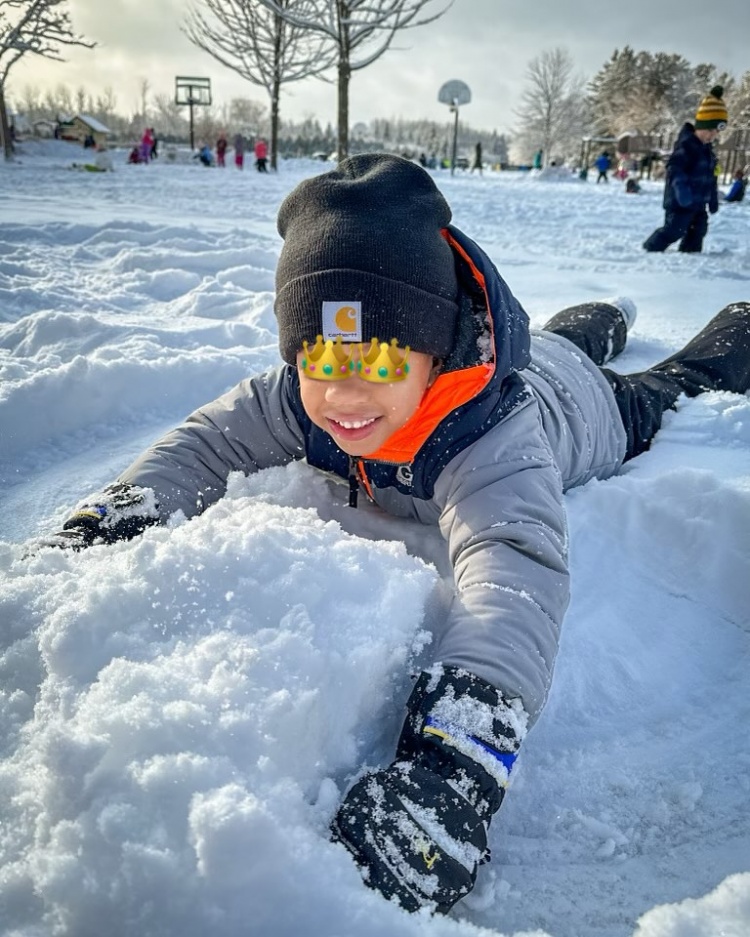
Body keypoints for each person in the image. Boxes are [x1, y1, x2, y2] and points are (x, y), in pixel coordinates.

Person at [30, 155, 750, 915]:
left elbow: (515, 568)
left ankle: (723, 330)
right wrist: (122, 510)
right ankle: (600, 317)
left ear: (435, 351)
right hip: (535, 353)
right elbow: (207, 441)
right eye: (320, 355)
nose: (343, 391)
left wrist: (458, 753)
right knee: (566, 332)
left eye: (374, 357)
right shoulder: (303, 401)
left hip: (585, 409)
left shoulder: (490, 437)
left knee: (661, 387)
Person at [643, 86, 727, 253]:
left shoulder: (707, 150)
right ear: (699, 126)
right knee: (674, 230)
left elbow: (711, 177)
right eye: (709, 130)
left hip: (699, 202)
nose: (712, 135)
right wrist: (682, 191)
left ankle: (690, 254)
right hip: (680, 202)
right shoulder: (686, 145)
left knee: (699, 230)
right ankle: (650, 248)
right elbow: (675, 169)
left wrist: (712, 199)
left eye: (716, 132)